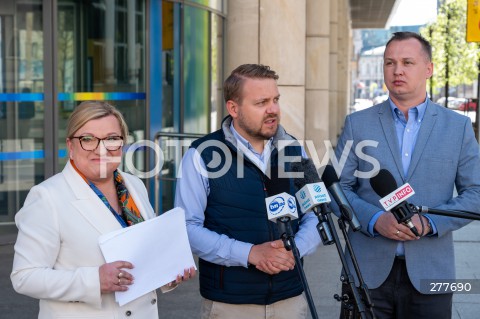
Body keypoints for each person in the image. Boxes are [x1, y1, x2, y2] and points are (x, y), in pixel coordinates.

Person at [335, 31, 480, 319]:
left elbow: (476, 193)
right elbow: (337, 188)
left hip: (432, 275)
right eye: (390, 63)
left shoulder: (458, 127)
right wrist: (375, 219)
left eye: (407, 62)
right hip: (366, 273)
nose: (397, 70)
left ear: (428, 69)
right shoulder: (357, 124)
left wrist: (429, 222)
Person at [11, 101, 195, 318]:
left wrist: (167, 274)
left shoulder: (134, 185)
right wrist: (94, 281)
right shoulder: (47, 197)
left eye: (111, 139)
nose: (101, 149)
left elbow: (146, 254)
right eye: (87, 139)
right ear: (70, 146)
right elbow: (24, 277)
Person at [175, 64, 321, 319]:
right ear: (234, 108)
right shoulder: (202, 155)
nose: (273, 109)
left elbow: (316, 213)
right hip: (229, 305)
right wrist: (251, 254)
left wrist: (294, 249)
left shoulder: (294, 150)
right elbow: (187, 228)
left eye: (275, 100)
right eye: (261, 102)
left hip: (291, 300)